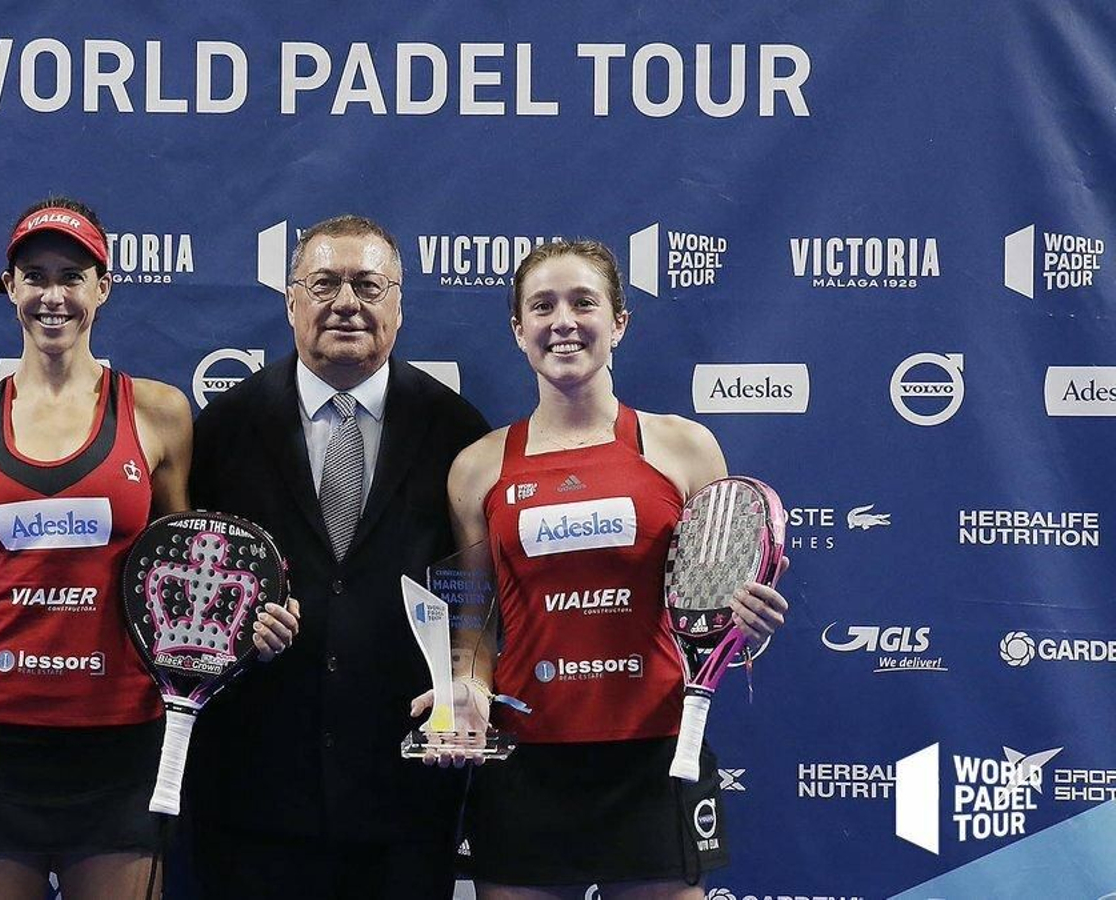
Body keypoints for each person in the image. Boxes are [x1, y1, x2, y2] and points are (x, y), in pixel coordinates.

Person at [0, 197, 299, 900]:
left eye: (72, 275)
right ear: (9, 288)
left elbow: (190, 573)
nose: (53, 295)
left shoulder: (157, 413)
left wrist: (254, 621)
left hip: (121, 737)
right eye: (34, 275)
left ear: (103, 287)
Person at [418, 239, 789, 900]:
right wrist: (464, 694)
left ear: (618, 322)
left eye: (583, 303)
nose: (563, 321)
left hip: (655, 754)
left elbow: (714, 608)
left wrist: (747, 634)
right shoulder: (477, 468)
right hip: (527, 763)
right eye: (542, 306)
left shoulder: (685, 447)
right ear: (518, 330)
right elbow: (472, 629)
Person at [184, 214, 491, 899]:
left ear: (399, 305)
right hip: (252, 792)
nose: (346, 302)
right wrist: (235, 633)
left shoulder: (457, 433)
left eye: (368, 284)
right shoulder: (224, 430)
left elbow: (480, 600)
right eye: (324, 283)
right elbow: (185, 594)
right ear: (292, 301)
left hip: (405, 795)